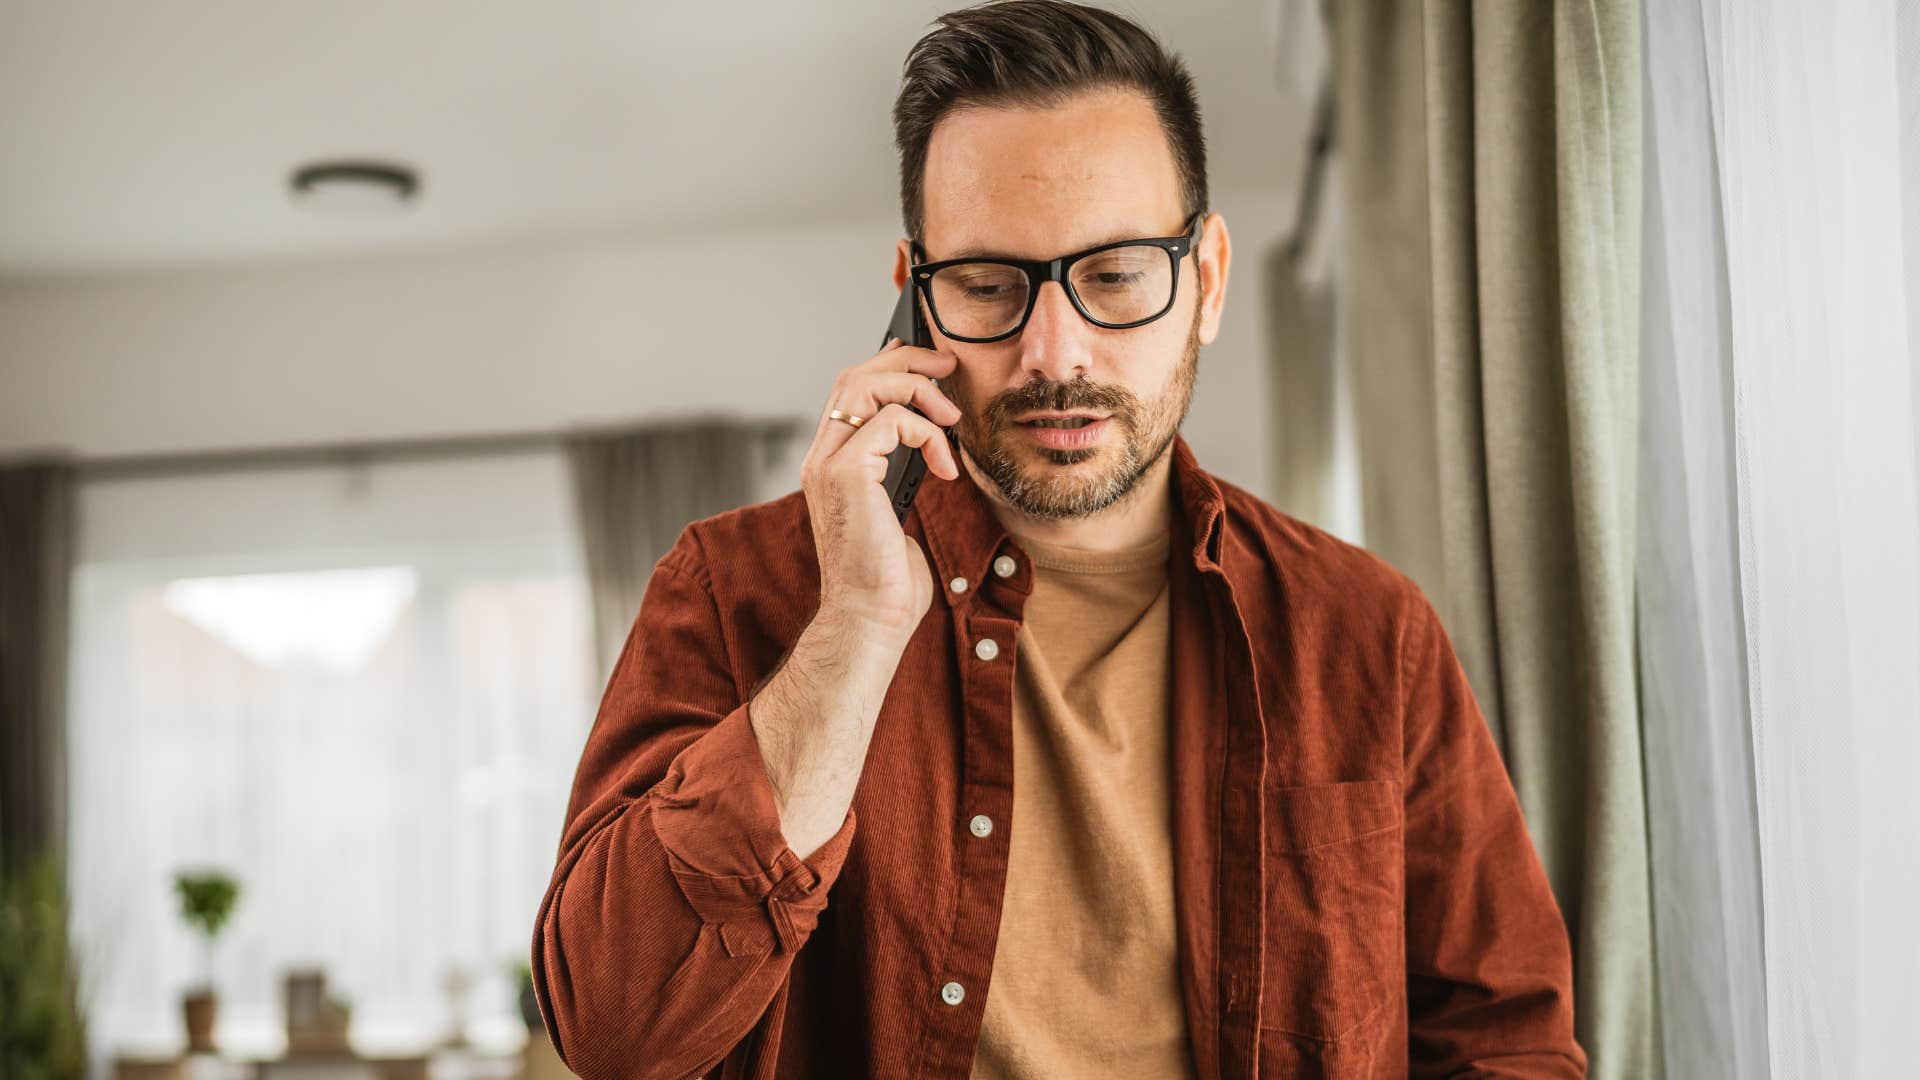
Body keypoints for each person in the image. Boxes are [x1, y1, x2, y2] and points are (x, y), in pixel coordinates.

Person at [530, 2, 1585, 1077]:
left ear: (1207, 281)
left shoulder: (1367, 631)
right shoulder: (732, 591)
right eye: (988, 285)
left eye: (1117, 275)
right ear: (915, 305)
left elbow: (1506, 1041)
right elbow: (614, 1035)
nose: (1055, 352)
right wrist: (851, 630)